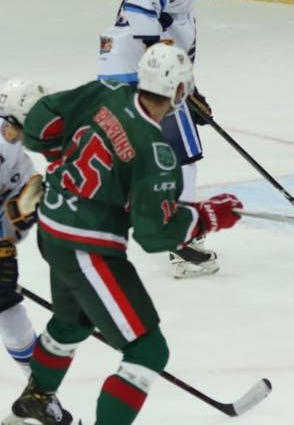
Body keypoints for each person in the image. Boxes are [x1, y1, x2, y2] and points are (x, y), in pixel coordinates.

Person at [4, 44, 244, 425]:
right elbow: (156, 234)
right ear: (179, 92)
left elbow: (40, 123)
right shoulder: (156, 153)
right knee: (148, 351)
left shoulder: (106, 92)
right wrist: (208, 216)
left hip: (53, 227)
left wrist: (60, 156)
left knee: (72, 321)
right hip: (88, 246)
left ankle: (38, 394)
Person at [97, 0, 222, 278]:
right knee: (183, 158)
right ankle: (181, 242)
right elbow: (140, 9)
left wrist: (191, 89)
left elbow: (162, 31)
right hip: (149, 80)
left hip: (118, 73)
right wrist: (162, 63)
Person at [0, 80, 50, 380]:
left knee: (10, 311)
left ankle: (41, 394)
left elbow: (17, 216)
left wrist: (5, 249)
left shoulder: (19, 157)